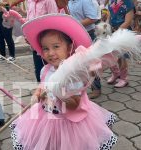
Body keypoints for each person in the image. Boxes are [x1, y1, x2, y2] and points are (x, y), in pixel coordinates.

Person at [9, 14, 117, 150]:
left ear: (69, 47)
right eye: (46, 48)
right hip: (46, 116)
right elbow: (42, 86)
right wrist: (36, 95)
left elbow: (74, 104)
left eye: (56, 46)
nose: (50, 53)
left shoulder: (74, 74)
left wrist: (59, 94)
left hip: (68, 121)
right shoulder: (46, 70)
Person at [15, 0, 59, 82]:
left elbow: (54, 21)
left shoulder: (49, 1)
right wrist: (27, 35)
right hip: (34, 44)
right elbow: (28, 20)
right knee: (39, 71)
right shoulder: (30, 1)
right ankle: (41, 91)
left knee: (52, 72)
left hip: (47, 44)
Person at [67, 0, 102, 98]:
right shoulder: (69, 2)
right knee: (79, 63)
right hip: (75, 34)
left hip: (88, 34)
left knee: (91, 62)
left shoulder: (85, 1)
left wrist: (74, 24)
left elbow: (92, 18)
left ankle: (96, 88)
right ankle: (82, 87)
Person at [107, 0, 134, 87]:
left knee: (122, 57)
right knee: (112, 55)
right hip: (112, 31)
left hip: (123, 33)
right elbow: (109, 15)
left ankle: (124, 78)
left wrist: (117, 32)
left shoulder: (128, 3)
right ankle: (116, 74)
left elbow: (128, 21)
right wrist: (106, 26)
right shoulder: (112, 1)